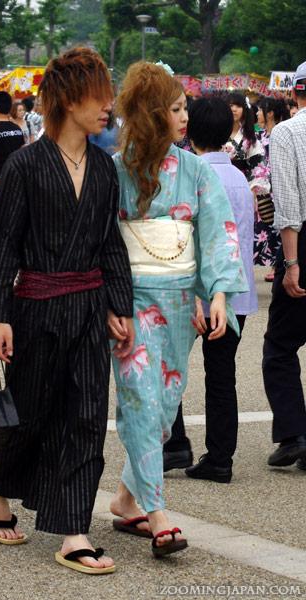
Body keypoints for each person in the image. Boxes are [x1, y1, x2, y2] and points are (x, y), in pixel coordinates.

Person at [0, 47, 134, 575]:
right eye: (98, 95)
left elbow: (109, 243)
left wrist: (117, 305)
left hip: (86, 306)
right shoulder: (26, 165)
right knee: (29, 411)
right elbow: (3, 244)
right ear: (67, 99)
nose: (108, 106)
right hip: (34, 306)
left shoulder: (105, 168)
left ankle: (73, 531)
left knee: (85, 415)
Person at [109, 63, 247, 556]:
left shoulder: (192, 170)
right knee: (141, 403)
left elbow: (216, 232)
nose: (184, 116)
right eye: (174, 108)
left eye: (183, 106)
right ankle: (157, 511)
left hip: (179, 300)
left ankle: (126, 500)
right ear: (151, 114)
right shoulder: (114, 169)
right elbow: (102, 243)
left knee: (165, 405)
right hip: (131, 301)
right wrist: (108, 300)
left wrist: (216, 293)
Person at [163, 97, 258, 483]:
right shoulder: (239, 177)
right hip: (237, 294)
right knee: (222, 374)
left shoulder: (191, 174)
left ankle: (174, 443)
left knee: (172, 365)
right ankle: (221, 456)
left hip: (197, 293)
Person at [262, 61, 306, 471]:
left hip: (303, 243)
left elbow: (288, 204)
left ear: (295, 93)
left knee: (280, 345)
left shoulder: (287, 132)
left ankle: (294, 433)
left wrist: (290, 263)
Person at [254, 98, 290, 282]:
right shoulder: (259, 135)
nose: (257, 113)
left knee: (278, 227)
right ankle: (276, 264)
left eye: (260, 110)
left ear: (269, 113)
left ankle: (279, 264)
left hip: (278, 186)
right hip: (263, 189)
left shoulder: (280, 132)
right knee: (267, 226)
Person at [224, 93, 270, 199]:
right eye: (231, 105)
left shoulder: (251, 139)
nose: (234, 109)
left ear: (244, 109)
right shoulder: (218, 134)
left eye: (238, 106)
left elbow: (258, 167)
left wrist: (252, 191)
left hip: (243, 190)